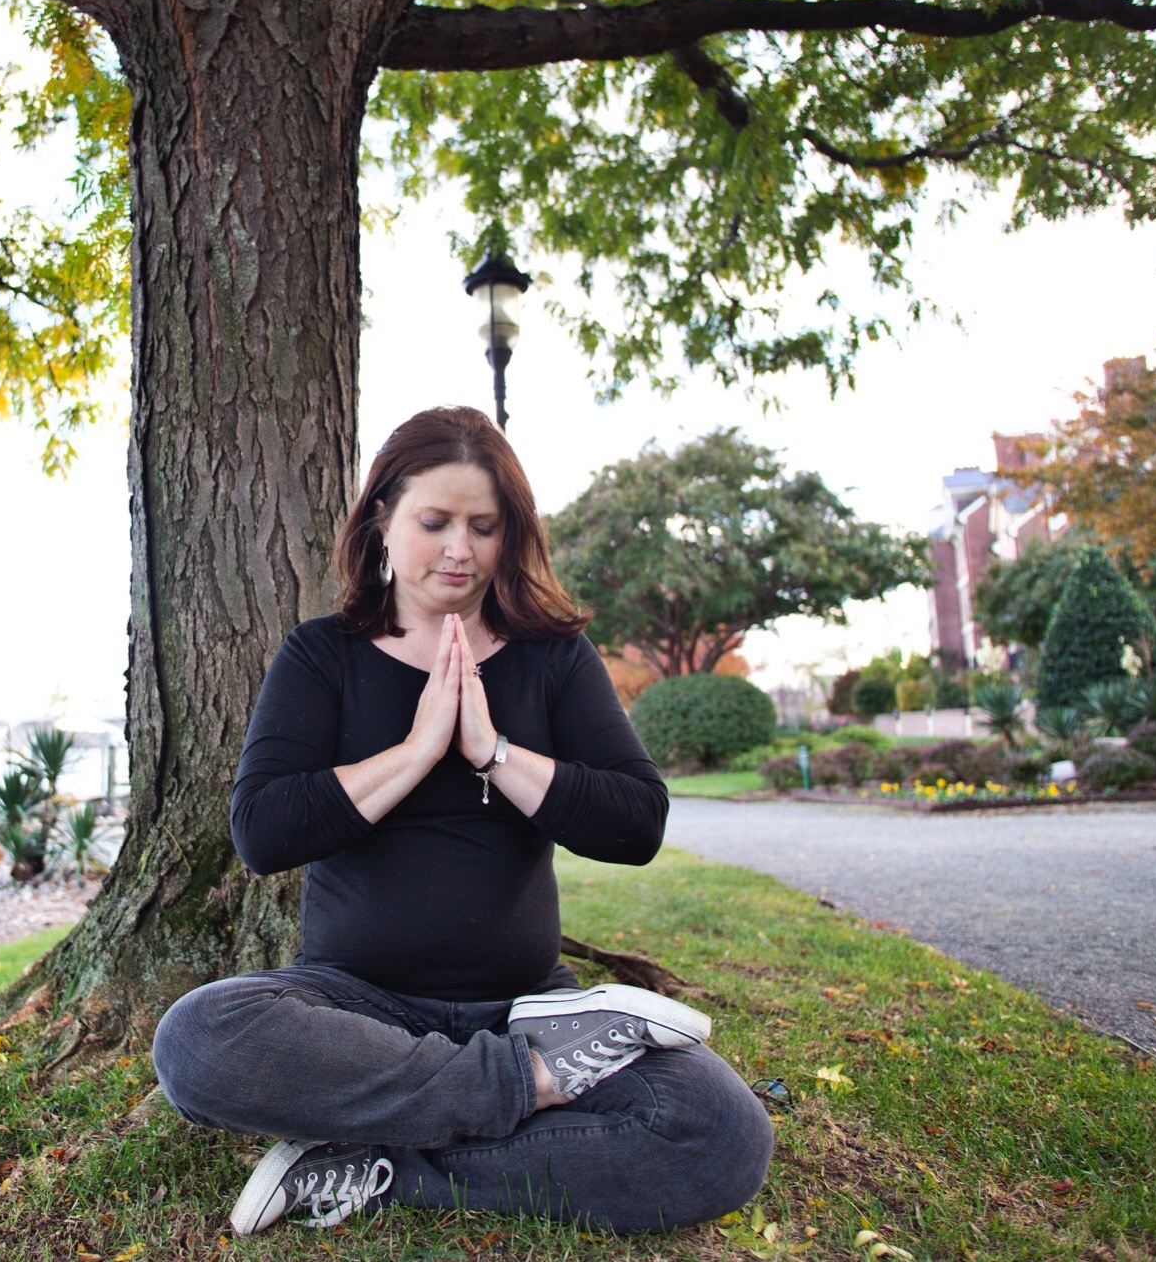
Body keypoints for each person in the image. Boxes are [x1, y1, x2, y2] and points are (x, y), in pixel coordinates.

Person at [152, 407, 773, 1237]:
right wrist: (415, 751)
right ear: (381, 520)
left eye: (484, 527)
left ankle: (366, 1165)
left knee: (719, 1135)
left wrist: (489, 751)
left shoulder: (552, 657)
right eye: (435, 522)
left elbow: (636, 824)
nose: (459, 550)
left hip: (533, 1007)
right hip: (352, 1007)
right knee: (197, 1040)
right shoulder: (321, 655)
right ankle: (528, 1087)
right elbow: (262, 833)